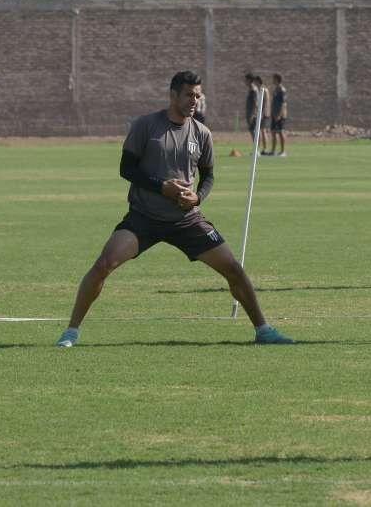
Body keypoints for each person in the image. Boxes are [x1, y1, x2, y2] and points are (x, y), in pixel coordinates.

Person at [56, 71, 293, 348]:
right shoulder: (146, 126)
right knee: (104, 264)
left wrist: (198, 198)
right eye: (189, 95)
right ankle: (71, 332)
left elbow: (208, 177)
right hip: (144, 217)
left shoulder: (202, 133)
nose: (194, 100)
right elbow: (126, 168)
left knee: (233, 269)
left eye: (197, 95)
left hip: (186, 220)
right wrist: (161, 187)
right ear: (173, 96)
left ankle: (263, 331)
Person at [245, 73, 267, 154]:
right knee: (253, 132)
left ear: (250, 80)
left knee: (255, 133)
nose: (245, 82)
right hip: (251, 115)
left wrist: (252, 115)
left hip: (253, 115)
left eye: (246, 80)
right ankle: (256, 149)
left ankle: (257, 150)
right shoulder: (251, 89)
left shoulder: (253, 90)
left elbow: (255, 104)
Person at [269, 73, 288, 157]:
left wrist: (279, 115)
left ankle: (283, 151)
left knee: (281, 132)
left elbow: (283, 103)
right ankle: (273, 151)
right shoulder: (276, 89)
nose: (272, 80)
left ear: (277, 79)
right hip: (274, 114)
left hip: (280, 115)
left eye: (273, 78)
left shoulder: (282, 90)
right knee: (273, 132)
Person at [254, 76, 272, 154]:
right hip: (259, 113)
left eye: (255, 81)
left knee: (263, 131)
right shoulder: (258, 90)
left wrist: (263, 112)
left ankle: (265, 148)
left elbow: (266, 102)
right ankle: (259, 148)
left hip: (263, 114)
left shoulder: (264, 90)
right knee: (259, 131)